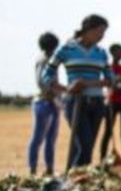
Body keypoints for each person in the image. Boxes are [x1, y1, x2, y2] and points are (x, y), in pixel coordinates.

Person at [41, 14, 113, 171]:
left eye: (104, 33)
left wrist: (86, 83)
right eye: (100, 32)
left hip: (97, 103)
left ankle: (76, 179)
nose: (102, 36)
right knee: (84, 144)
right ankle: (77, 179)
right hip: (75, 103)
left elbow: (110, 79)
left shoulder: (101, 53)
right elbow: (46, 75)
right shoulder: (66, 49)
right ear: (88, 30)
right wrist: (66, 88)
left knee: (86, 146)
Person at [29, 32, 61, 176]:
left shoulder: (51, 60)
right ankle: (33, 169)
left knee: (51, 139)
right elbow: (41, 82)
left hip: (52, 103)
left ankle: (49, 169)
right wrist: (53, 93)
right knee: (38, 138)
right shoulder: (43, 60)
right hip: (43, 102)